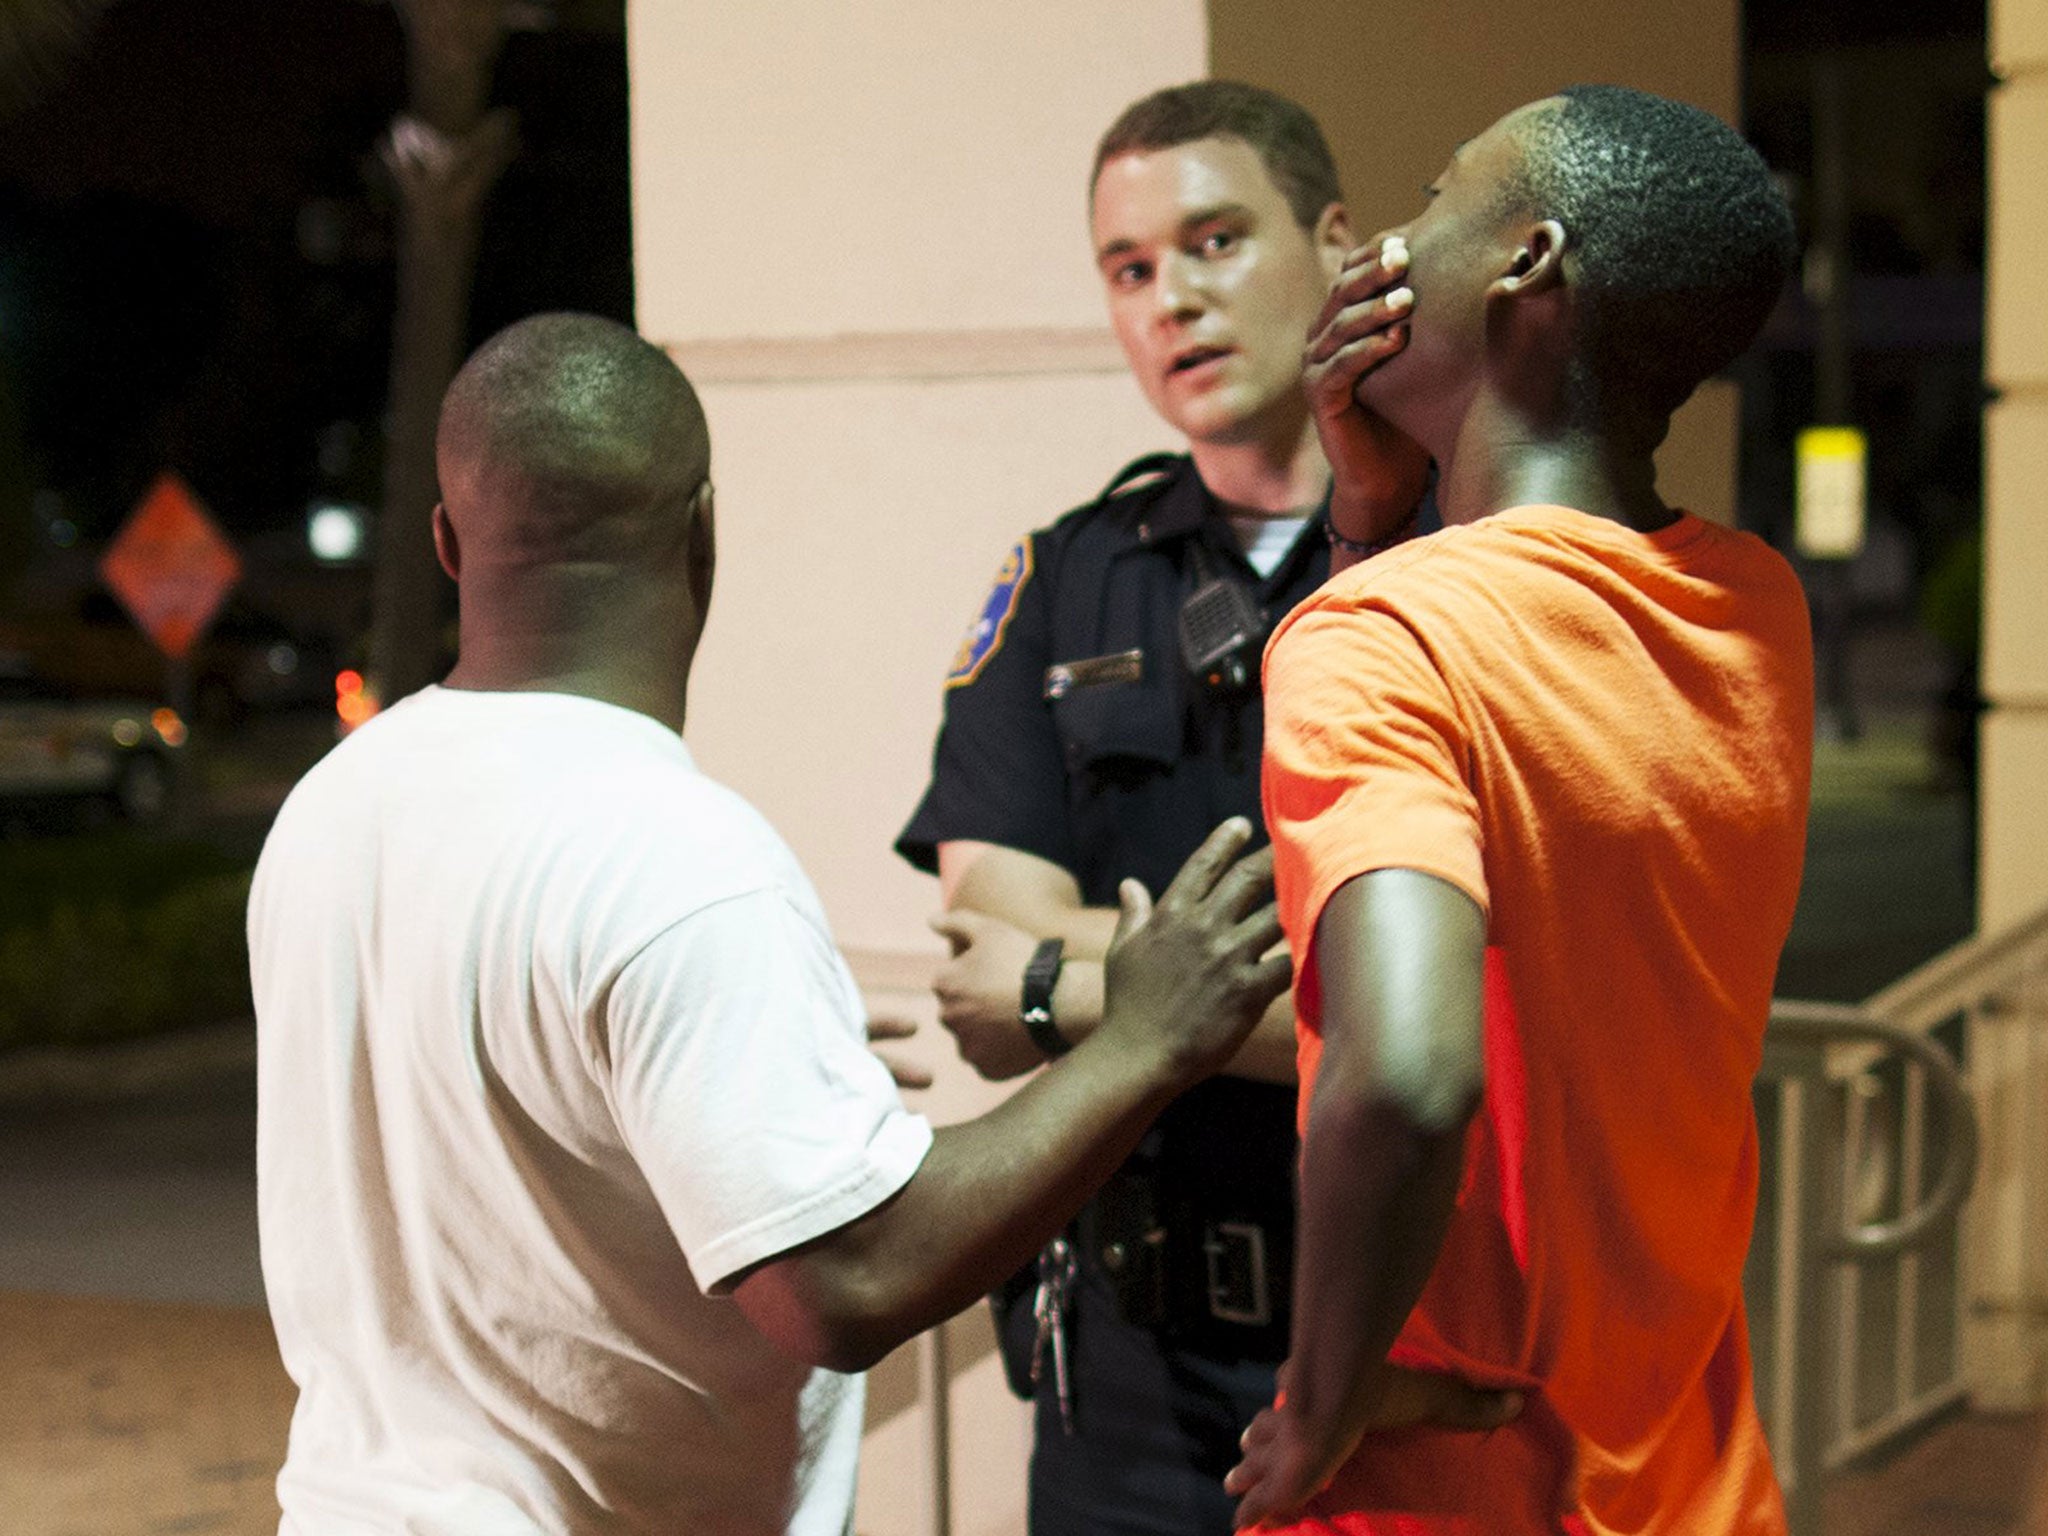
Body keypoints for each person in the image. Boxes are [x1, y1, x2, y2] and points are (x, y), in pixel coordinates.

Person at [249, 312, 1298, 1536]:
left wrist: (713, 1087)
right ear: (702, 531)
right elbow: (846, 1283)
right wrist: (1144, 1039)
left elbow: (494, 1113)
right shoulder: (678, 858)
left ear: (444, 541)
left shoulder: (335, 804)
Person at [1225, 87, 1812, 1533]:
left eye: (1433, 199)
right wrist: (1372, 518)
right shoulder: (1752, 606)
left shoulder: (1381, 637)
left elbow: (1411, 1074)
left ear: (1526, 263)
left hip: (1457, 1486)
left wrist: (1322, 1397)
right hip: (1688, 1471)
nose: (1389, 245)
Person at [896, 81, 1438, 1534]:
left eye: (1214, 242)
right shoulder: (1067, 577)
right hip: (1126, 1376)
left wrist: (1082, 976)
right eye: (1130, 271)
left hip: (1410, 1349)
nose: (1172, 303)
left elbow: (1458, 1015)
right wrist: (1278, 992)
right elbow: (979, 977)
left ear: (1334, 245)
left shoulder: (1459, 564)